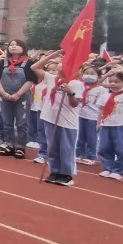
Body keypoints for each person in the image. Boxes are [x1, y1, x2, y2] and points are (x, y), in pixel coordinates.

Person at [32, 50, 83, 186]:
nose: (61, 65)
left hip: (66, 121)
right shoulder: (51, 78)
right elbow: (34, 68)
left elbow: (75, 104)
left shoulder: (75, 84)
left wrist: (70, 93)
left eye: (65, 64)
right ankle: (54, 171)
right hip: (50, 118)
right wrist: (51, 56)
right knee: (52, 147)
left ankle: (66, 174)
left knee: (66, 148)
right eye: (61, 63)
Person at [0, 40, 36, 159]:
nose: (13, 47)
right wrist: (3, 92)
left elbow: (30, 80)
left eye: (16, 45)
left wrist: (18, 94)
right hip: (5, 95)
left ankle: (21, 146)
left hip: (22, 97)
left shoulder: (29, 62)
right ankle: (9, 144)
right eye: (11, 45)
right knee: (7, 121)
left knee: (22, 122)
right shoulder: (3, 62)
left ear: (23, 48)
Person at [96, 67, 123, 180]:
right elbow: (101, 110)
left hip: (121, 125)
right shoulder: (105, 96)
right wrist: (98, 122)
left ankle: (119, 171)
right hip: (106, 125)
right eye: (111, 82)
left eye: (116, 82)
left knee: (121, 149)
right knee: (104, 148)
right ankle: (107, 168)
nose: (113, 84)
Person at [76, 65, 108, 165]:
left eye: (92, 74)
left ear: (98, 77)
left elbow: (102, 105)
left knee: (91, 137)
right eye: (87, 73)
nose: (89, 75)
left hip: (93, 116)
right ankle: (79, 154)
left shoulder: (101, 89)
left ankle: (90, 156)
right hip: (80, 114)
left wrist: (100, 120)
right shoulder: (79, 85)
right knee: (80, 136)